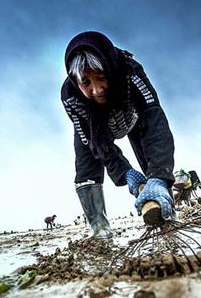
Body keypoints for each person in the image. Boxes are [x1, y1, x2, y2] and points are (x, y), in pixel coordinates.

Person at [61, 31, 177, 240]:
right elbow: (97, 145)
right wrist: (125, 173)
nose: (96, 90)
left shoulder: (130, 71)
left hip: (131, 116)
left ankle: (166, 209)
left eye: (101, 78)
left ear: (109, 69)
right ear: (75, 81)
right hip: (95, 127)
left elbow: (154, 123)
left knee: (152, 159)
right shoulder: (70, 96)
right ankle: (99, 228)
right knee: (85, 160)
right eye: (86, 83)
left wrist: (158, 176)